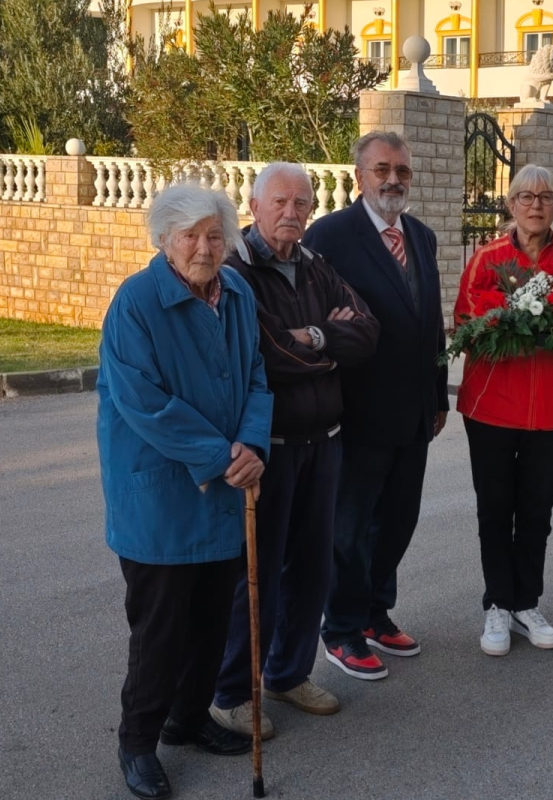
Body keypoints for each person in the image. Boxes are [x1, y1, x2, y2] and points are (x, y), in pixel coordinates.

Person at [98, 185, 272, 800]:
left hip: (226, 487)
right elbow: (143, 402)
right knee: (161, 630)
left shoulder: (239, 292)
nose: (204, 246)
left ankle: (188, 717)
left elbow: (255, 374)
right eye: (190, 235)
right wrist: (225, 455)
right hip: (161, 500)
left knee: (209, 624)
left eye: (215, 234)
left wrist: (253, 443)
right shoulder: (137, 302)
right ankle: (138, 741)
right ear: (164, 241)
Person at [210, 163, 379, 738]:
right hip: (270, 448)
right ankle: (233, 690)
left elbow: (368, 331)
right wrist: (327, 345)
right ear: (254, 207)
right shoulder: (237, 271)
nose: (292, 212)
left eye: (302, 203)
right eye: (280, 201)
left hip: (323, 442)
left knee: (312, 570)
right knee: (256, 574)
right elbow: (268, 356)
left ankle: (288, 673)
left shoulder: (316, 266)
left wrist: (318, 338)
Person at [302, 132, 449, 681]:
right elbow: (314, 314)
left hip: (414, 412)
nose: (394, 180)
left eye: (403, 171)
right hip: (356, 411)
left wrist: (438, 395)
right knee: (350, 526)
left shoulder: (423, 236)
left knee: (398, 521)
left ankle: (375, 613)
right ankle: (340, 629)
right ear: (359, 175)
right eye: (382, 169)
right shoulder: (331, 236)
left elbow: (429, 321)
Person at [453, 164, 553, 656]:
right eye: (526, 196)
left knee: (536, 512)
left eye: (547, 197)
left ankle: (526, 602)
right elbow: (465, 324)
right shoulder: (486, 259)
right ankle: (497, 604)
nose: (536, 204)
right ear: (510, 205)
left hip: (552, 411)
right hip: (491, 407)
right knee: (494, 510)